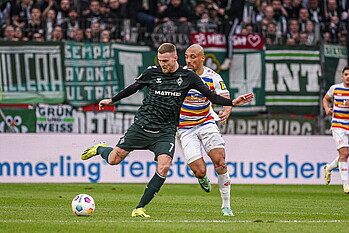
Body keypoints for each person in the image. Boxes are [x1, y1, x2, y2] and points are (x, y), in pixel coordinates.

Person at [81, 42, 254, 217]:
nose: (162, 64)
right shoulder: (152, 72)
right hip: (148, 125)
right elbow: (133, 88)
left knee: (166, 167)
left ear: (174, 58)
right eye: (160, 60)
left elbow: (212, 96)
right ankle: (100, 149)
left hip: (171, 129)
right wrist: (111, 100)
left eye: (165, 61)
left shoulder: (190, 77)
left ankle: (139, 208)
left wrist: (231, 103)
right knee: (113, 160)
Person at [177, 44, 240, 216]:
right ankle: (202, 177)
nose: (189, 60)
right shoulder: (179, 75)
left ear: (202, 58)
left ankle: (226, 206)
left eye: (193, 57)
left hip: (206, 123)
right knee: (199, 170)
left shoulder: (213, 76)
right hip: (184, 128)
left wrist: (226, 112)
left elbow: (225, 97)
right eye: (187, 57)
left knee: (220, 162)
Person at [322, 66, 349, 194]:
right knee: (344, 154)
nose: (348, 77)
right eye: (346, 74)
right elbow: (326, 99)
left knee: (344, 154)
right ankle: (346, 185)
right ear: (342, 76)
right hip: (339, 125)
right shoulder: (335, 88)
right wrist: (327, 109)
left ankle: (329, 167)